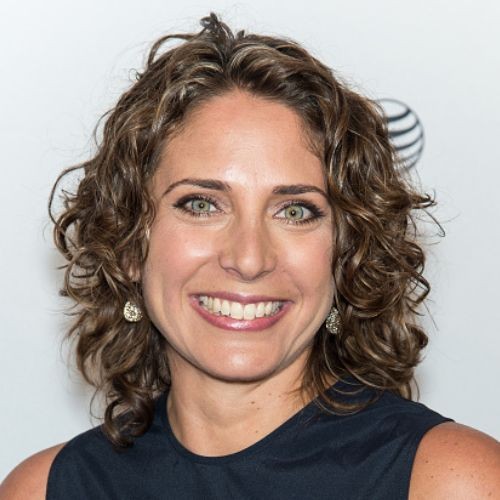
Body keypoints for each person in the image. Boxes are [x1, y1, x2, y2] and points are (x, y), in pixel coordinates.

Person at [1, 13, 499, 500]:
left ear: (346, 252)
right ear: (129, 243)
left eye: (295, 211)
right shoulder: (47, 489)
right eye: (201, 205)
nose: (249, 258)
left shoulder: (450, 481)